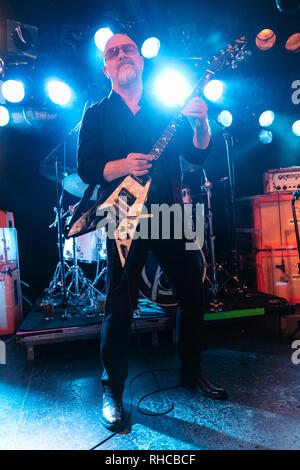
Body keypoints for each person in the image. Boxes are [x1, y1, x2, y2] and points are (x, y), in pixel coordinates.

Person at [77, 33, 227, 432]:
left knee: (194, 293)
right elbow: (86, 169)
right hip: (123, 212)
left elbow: (197, 153)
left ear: (141, 61)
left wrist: (201, 122)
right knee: (120, 305)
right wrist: (122, 165)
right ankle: (112, 391)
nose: (121, 55)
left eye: (127, 49)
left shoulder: (166, 109)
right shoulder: (96, 113)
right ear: (105, 67)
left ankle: (190, 372)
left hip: (168, 211)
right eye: (113, 52)